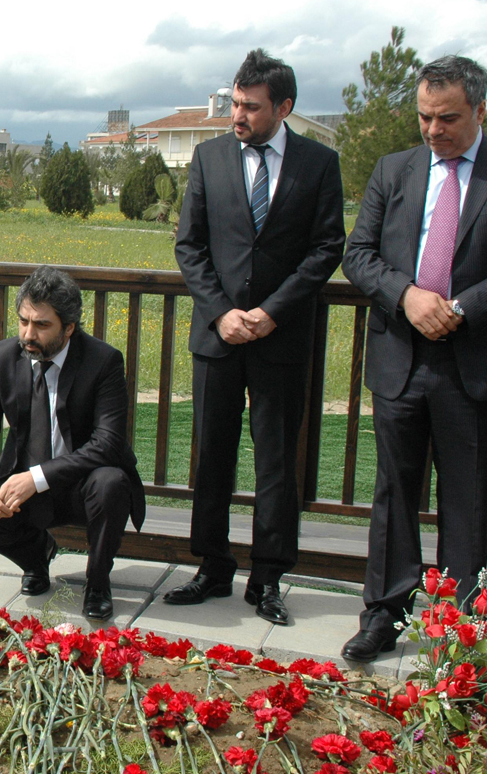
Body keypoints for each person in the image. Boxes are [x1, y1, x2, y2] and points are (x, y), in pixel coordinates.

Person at [166, 49, 346, 624]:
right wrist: (221, 313)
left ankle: (267, 579)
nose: (237, 115)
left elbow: (327, 247)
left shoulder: (319, 163)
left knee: (276, 464)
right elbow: (189, 245)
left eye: (251, 106)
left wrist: (272, 312)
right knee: (212, 459)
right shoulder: (209, 156)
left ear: (284, 107)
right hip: (217, 339)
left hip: (282, 339)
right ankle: (212, 567)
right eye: (235, 103)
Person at [340, 55, 487, 663]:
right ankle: (383, 614)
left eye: (448, 118)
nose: (434, 130)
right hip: (400, 361)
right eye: (424, 117)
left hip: (476, 366)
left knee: (467, 503)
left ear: (482, 110)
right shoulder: (395, 170)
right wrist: (407, 296)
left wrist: (461, 307)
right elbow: (358, 254)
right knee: (393, 496)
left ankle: (456, 636)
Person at [0, 265, 145, 621]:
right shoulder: (2, 357)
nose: (29, 334)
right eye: (23, 321)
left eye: (42, 325)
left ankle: (98, 582)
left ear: (69, 327)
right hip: (25, 485)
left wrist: (38, 477)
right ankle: (37, 557)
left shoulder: (103, 360)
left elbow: (108, 442)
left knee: (112, 482)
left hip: (85, 483)